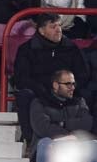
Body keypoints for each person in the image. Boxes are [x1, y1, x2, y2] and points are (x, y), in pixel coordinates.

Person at [12, 12, 90, 143]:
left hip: (66, 89)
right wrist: (44, 91)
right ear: (41, 31)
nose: (58, 30)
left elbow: (83, 74)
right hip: (39, 92)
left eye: (59, 26)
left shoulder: (71, 48)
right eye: (53, 26)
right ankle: (30, 140)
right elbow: (22, 78)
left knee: (89, 93)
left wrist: (68, 87)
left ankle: (83, 139)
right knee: (25, 95)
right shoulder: (27, 49)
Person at [30, 69, 97, 162]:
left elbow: (87, 123)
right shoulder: (39, 102)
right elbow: (43, 128)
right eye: (68, 84)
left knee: (96, 146)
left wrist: (63, 125)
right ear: (55, 85)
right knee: (44, 143)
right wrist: (69, 135)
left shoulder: (79, 101)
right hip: (52, 145)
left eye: (73, 84)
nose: (72, 87)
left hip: (74, 146)